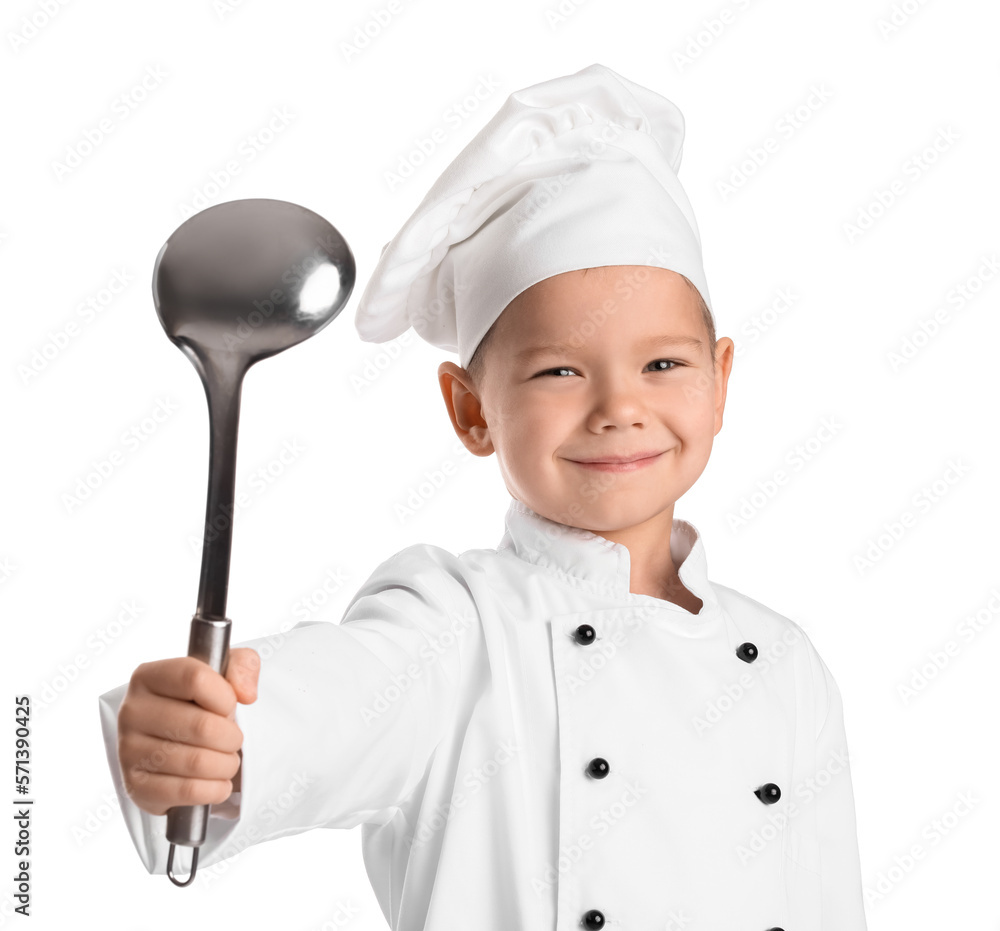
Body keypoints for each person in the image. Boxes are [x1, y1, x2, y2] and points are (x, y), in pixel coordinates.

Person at [97, 63, 868, 930]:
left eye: (663, 364)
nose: (620, 409)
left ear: (720, 381)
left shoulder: (786, 664)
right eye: (559, 371)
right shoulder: (454, 630)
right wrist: (213, 739)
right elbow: (324, 707)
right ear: (471, 410)